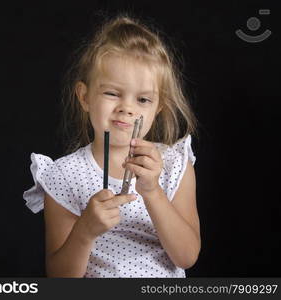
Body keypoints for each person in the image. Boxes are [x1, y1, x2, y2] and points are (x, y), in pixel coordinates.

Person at [23, 14, 200, 278]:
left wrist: (152, 191)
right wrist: (84, 231)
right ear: (85, 97)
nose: (126, 108)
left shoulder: (174, 165)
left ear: (158, 107)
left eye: (142, 99)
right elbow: (59, 279)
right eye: (112, 93)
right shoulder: (63, 176)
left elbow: (186, 256)